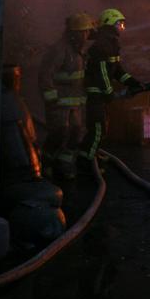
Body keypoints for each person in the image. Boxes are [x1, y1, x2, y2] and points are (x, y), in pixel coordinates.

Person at [79, 8, 150, 170]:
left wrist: (133, 82)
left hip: (101, 94)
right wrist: (109, 92)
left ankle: (92, 154)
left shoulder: (111, 44)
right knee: (97, 129)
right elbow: (102, 73)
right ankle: (86, 163)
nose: (122, 27)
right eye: (119, 24)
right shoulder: (101, 46)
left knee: (102, 127)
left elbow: (116, 70)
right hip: (95, 94)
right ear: (109, 24)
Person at [38, 12, 94, 180]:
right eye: (83, 31)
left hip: (74, 103)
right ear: (74, 33)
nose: (86, 35)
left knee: (76, 132)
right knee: (59, 133)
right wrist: (51, 97)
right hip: (58, 103)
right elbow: (45, 75)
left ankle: (64, 164)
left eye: (87, 31)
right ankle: (46, 163)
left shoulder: (79, 50)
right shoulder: (59, 50)